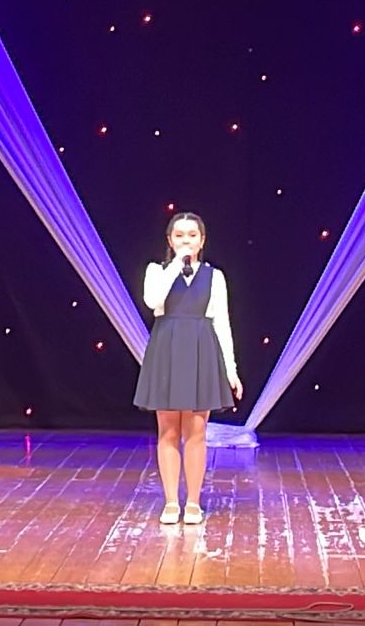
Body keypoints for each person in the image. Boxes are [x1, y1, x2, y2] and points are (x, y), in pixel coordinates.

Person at [133, 212, 242, 525]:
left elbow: (222, 323)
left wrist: (231, 369)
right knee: (168, 430)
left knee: (196, 431)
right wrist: (175, 266)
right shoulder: (156, 271)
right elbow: (153, 300)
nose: (186, 241)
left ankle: (193, 502)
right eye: (179, 235)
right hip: (167, 348)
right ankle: (171, 502)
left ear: (202, 240)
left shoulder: (214, 276)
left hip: (201, 348)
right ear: (170, 240)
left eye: (192, 235)